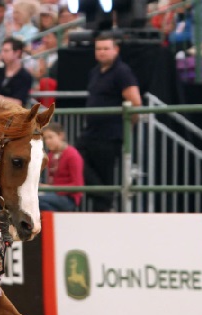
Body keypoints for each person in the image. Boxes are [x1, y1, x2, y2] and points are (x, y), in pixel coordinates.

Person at [76, 32, 141, 212]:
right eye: (98, 49)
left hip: (109, 135)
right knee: (77, 158)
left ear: (116, 50)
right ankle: (105, 197)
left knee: (105, 176)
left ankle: (105, 205)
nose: (102, 52)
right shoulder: (94, 72)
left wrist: (127, 127)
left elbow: (135, 102)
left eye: (106, 48)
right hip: (91, 132)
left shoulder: (122, 71)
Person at [40, 122, 83, 212]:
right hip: (53, 194)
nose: (47, 141)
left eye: (50, 137)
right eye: (45, 138)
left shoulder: (72, 155)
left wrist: (51, 188)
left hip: (68, 198)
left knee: (36, 200)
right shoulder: (51, 155)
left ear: (60, 136)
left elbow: (77, 185)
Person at [0, 37, 32, 107]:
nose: (2, 54)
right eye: (2, 51)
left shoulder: (25, 76)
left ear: (17, 53)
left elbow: (19, 102)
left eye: (6, 51)